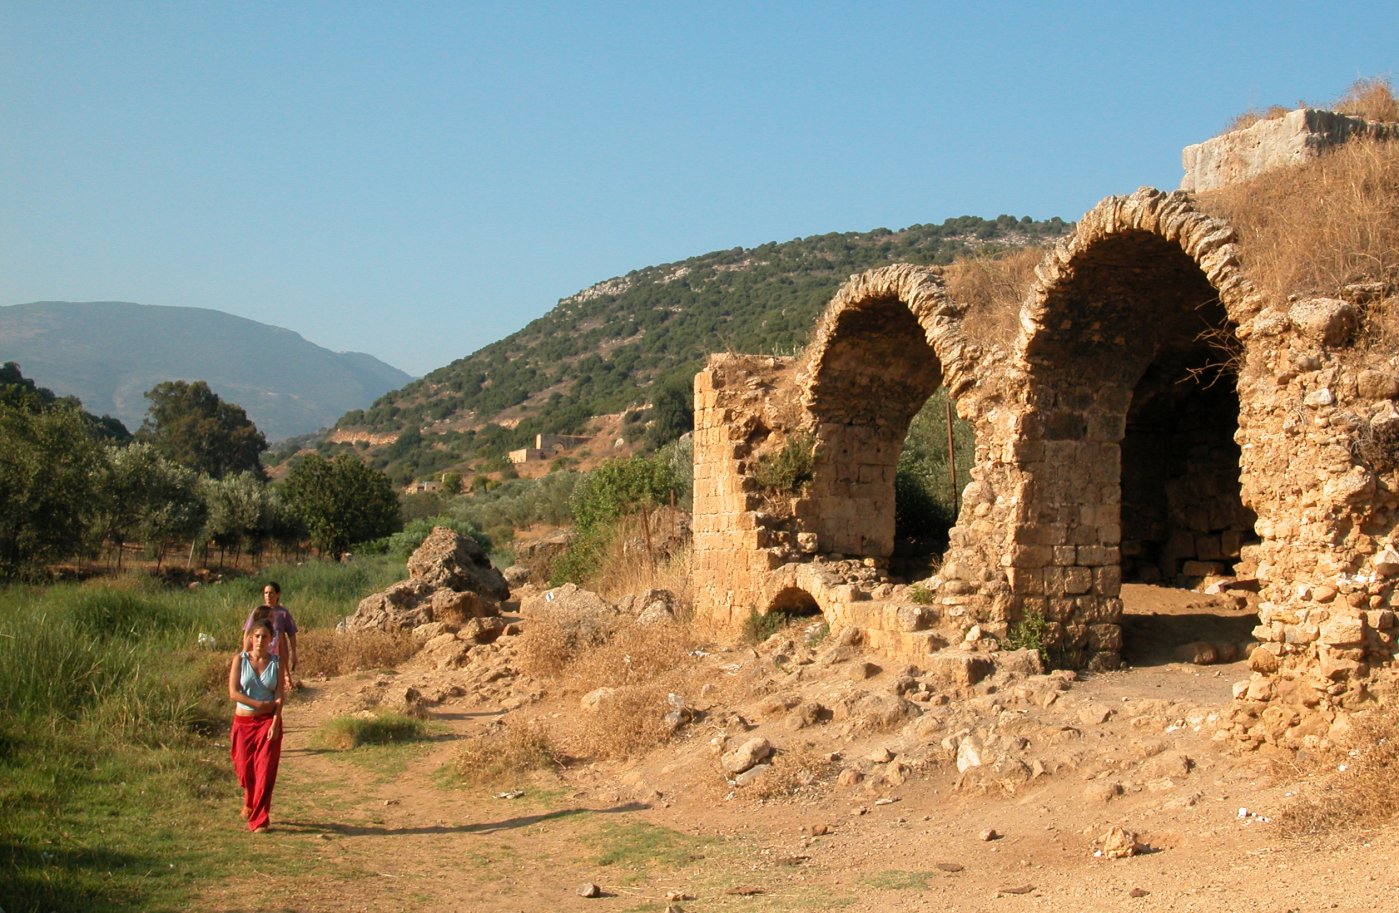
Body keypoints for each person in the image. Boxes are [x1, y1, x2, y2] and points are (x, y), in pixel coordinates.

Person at [228, 618, 285, 832]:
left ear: (271, 640)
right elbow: (233, 692)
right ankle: (249, 800)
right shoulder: (240, 660)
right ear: (251, 638)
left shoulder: (276, 663)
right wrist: (258, 704)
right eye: (257, 636)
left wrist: (275, 722)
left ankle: (260, 818)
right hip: (243, 722)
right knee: (244, 769)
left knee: (265, 770)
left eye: (265, 637)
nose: (260, 640)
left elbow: (279, 695)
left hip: (267, 722)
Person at [243, 581, 299, 688]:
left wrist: (294, 653)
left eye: (271, 593)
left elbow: (291, 634)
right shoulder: (258, 611)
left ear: (278, 594)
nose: (268, 596)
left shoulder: (283, 613)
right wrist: (244, 651)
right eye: (266, 593)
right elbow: (248, 632)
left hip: (275, 655)